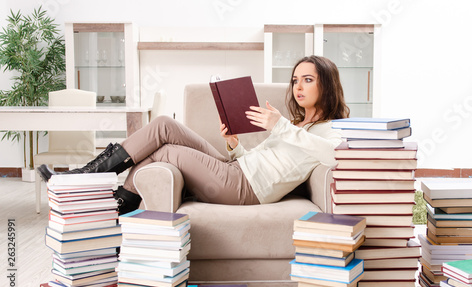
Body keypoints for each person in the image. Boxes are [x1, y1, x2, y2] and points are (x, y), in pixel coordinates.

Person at [37, 55, 350, 214]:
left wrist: (279, 125)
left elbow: (333, 156)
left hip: (245, 189)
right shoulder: (294, 124)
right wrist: (235, 146)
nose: (298, 86)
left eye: (307, 79)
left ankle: (94, 191)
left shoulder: (331, 129)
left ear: (327, 84)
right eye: (295, 79)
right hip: (236, 169)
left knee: (165, 151)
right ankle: (95, 186)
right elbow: (261, 159)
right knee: (164, 125)